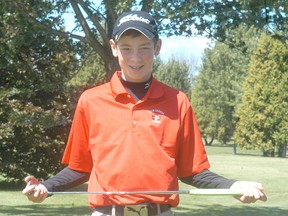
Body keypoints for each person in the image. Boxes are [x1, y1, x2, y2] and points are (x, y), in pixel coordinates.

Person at [22, 11, 267, 216]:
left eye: (144, 48)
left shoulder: (178, 101)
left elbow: (192, 171)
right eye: (126, 48)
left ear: (157, 47)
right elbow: (80, 167)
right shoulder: (91, 100)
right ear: (114, 48)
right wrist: (46, 187)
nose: (135, 58)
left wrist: (234, 185)